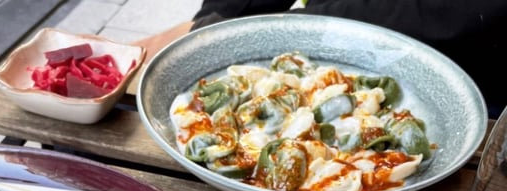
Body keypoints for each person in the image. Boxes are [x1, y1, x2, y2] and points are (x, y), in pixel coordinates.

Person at [139, 0, 507, 117]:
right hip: (324, 49)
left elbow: (454, 13)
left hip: (478, 89)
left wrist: (292, 27)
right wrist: (210, 26)